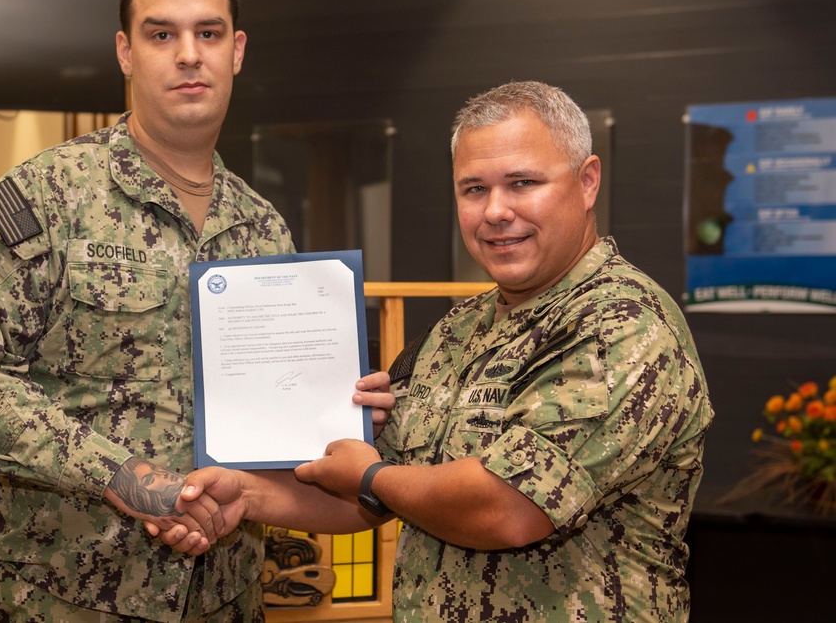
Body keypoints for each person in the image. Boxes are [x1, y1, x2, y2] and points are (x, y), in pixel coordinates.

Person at [0, 0, 391, 623]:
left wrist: (338, 410)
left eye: (208, 33)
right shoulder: (46, 198)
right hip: (66, 596)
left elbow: (277, 426)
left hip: (225, 594)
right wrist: (122, 477)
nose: (188, 54)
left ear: (236, 50)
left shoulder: (263, 230)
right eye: (161, 34)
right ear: (125, 52)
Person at [172, 80, 715, 622]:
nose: (496, 211)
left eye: (523, 182)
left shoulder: (621, 325)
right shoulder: (461, 328)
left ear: (587, 181)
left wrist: (370, 475)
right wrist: (243, 496)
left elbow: (510, 508)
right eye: (474, 189)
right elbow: (387, 495)